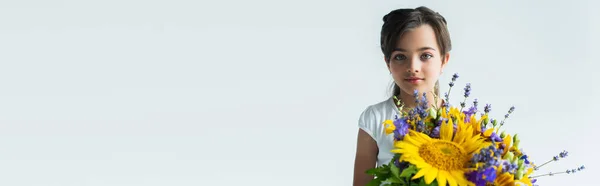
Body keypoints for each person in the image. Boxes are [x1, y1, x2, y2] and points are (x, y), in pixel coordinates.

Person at [352, 6, 452, 185]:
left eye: (426, 55)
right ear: (388, 63)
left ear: (444, 60)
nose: (413, 67)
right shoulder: (375, 119)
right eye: (400, 57)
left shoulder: (461, 124)